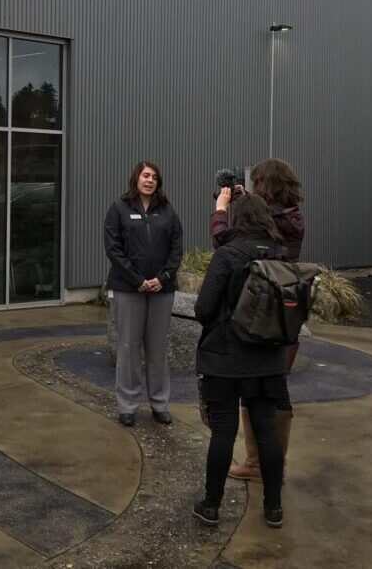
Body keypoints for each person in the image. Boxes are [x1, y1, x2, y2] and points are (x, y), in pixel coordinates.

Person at [193, 193, 287, 529]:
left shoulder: (227, 255)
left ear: (238, 219)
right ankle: (274, 508)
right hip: (268, 358)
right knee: (266, 430)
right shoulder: (280, 254)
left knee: (223, 432)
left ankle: (211, 505)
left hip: (225, 358)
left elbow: (203, 309)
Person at [210, 159, 305, 482]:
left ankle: (257, 464)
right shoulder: (291, 216)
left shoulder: (274, 223)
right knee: (276, 388)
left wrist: (223, 210)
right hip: (285, 312)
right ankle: (270, 462)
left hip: (261, 311)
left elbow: (226, 243)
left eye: (256, 182)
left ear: (265, 185)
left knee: (261, 388)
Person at [104, 161, 184, 427]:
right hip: (129, 289)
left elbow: (176, 250)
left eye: (154, 177)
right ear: (136, 179)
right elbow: (113, 249)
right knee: (128, 348)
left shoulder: (168, 212)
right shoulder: (119, 209)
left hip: (162, 290)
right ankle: (127, 405)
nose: (150, 180)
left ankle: (159, 403)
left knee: (158, 348)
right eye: (145, 175)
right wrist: (137, 280)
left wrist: (162, 278)